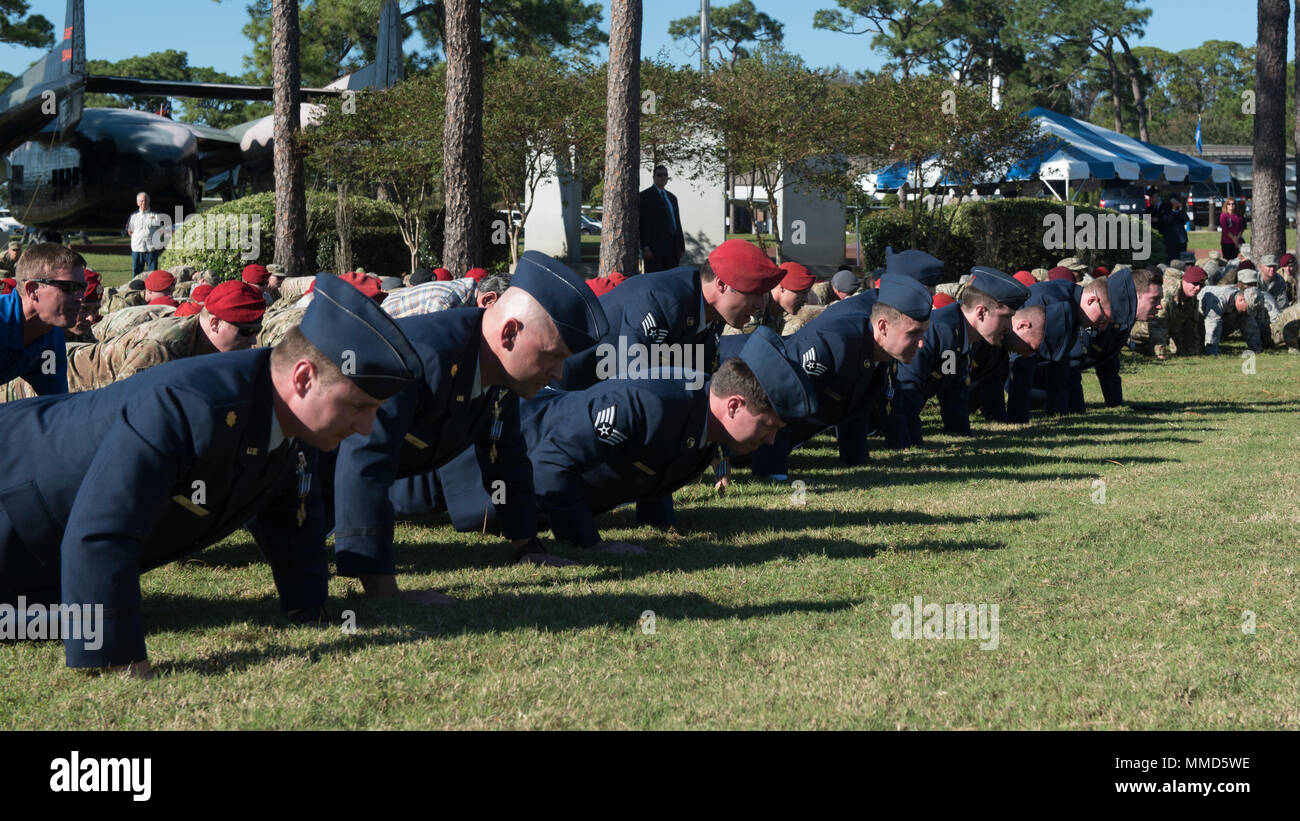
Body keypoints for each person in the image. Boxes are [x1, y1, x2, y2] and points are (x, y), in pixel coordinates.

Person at [0, 273, 421, 676]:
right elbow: (101, 530)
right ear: (304, 378)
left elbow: (290, 517)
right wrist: (117, 656)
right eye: (358, 407)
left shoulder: (279, 411)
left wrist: (309, 609)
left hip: (40, 548)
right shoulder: (188, 405)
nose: (366, 428)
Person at [330, 251, 609, 601]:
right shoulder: (420, 356)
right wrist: (384, 590)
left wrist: (527, 545)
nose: (558, 374)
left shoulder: (496, 368)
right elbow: (363, 459)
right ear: (509, 334)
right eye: (553, 356)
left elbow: (504, 457)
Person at [441, 326, 817, 554]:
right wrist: (590, 543)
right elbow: (550, 465)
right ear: (734, 405)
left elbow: (654, 463)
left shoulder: (704, 418)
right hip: (467, 467)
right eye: (768, 427)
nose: (770, 442)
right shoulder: (649, 404)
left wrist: (659, 522)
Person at [734, 273, 934, 479]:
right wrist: (772, 471)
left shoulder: (878, 350)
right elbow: (780, 396)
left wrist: (856, 460)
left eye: (923, 334)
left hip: (758, 441)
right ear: (883, 326)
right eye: (913, 334)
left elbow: (855, 406)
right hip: (735, 430)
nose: (921, 343)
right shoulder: (832, 343)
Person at [559, 238, 785, 391]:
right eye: (755, 294)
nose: (760, 305)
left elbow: (698, 382)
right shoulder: (664, 300)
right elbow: (634, 385)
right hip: (568, 387)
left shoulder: (710, 311)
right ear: (721, 285)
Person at [2, 281, 268, 401]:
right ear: (214, 323)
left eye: (256, 330)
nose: (253, 339)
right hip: (58, 383)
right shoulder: (163, 347)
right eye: (245, 331)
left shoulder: (208, 345)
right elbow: (126, 410)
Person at [884, 267, 1029, 448]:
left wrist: (960, 432)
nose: (1009, 326)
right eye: (1006, 317)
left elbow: (950, 383)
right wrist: (911, 442)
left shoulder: (958, 332)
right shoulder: (943, 330)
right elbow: (906, 388)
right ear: (981, 312)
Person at [0, 243, 85, 396]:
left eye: (82, 288)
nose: (80, 297)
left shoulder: (51, 337)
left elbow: (54, 402)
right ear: (33, 290)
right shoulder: (3, 322)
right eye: (69, 287)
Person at [639, 165, 685, 273]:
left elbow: (677, 222)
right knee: (655, 279)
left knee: (671, 278)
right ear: (654, 177)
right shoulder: (645, 196)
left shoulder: (672, 198)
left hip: (673, 247)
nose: (663, 177)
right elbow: (644, 223)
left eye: (665, 175)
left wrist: (681, 246)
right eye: (660, 175)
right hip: (655, 248)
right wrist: (645, 247)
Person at [126, 192, 165, 276]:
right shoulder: (133, 216)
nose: (144, 203)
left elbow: (161, 231)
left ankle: (153, 289)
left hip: (151, 249)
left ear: (149, 202)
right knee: (136, 274)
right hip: (137, 249)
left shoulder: (155, 215)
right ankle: (136, 289)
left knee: (153, 274)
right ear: (137, 203)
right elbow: (130, 231)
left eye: (146, 200)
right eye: (141, 201)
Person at [1156, 194, 1189, 265]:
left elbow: (1186, 219)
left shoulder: (1180, 210)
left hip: (1181, 239)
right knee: (1171, 259)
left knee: (1182, 259)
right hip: (1170, 239)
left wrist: (1180, 208)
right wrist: (1173, 209)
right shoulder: (1166, 210)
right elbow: (1167, 221)